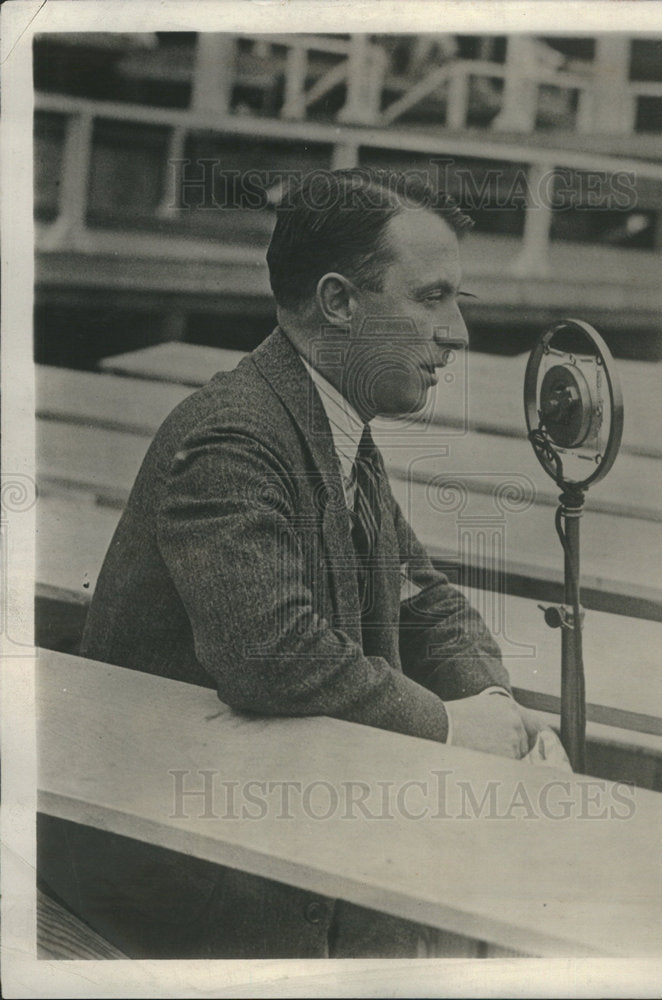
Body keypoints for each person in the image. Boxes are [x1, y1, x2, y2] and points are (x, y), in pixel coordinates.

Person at [39, 168, 543, 959]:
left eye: (458, 302)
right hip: (190, 879)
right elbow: (270, 655)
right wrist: (450, 726)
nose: (457, 334)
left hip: (268, 822)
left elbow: (424, 600)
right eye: (430, 298)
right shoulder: (233, 440)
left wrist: (493, 705)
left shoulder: (333, 425)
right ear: (339, 301)